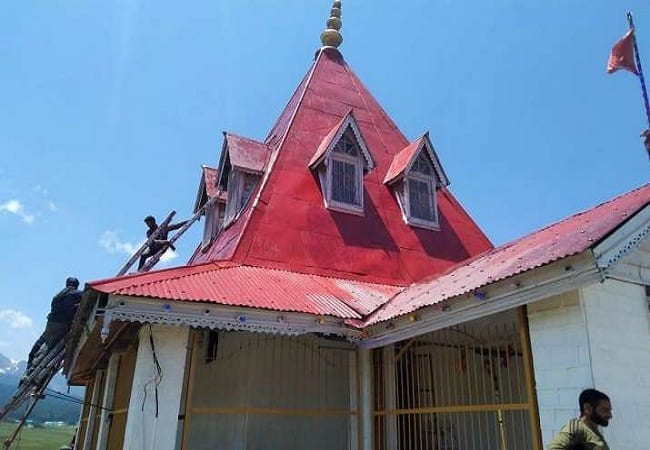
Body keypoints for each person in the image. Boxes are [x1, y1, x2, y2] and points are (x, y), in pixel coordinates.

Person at [24, 277, 82, 378]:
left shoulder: (58, 296)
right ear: (76, 285)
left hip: (50, 324)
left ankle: (30, 365)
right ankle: (36, 370)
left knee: (41, 343)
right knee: (50, 349)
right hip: (63, 326)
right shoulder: (78, 294)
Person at [547, 388, 612, 450]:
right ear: (587, 408)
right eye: (605, 410)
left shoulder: (593, 431)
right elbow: (554, 448)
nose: (610, 415)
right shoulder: (577, 426)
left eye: (609, 410)